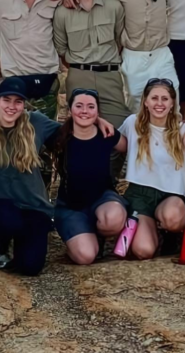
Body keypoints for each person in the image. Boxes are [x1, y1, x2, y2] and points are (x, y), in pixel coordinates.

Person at [0, 78, 61, 275]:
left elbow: (69, 134)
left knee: (30, 268)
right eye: (6, 100)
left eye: (18, 101)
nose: (12, 106)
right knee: (10, 221)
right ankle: (1, 244)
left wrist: (97, 120)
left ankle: (23, 243)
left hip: (34, 205)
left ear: (24, 104)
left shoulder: (36, 122)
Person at [119, 78, 185, 260]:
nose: (159, 103)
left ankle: (171, 234)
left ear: (172, 103)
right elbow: (117, 144)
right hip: (139, 195)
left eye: (165, 99)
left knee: (173, 217)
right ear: (145, 101)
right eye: (154, 98)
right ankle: (150, 229)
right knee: (143, 251)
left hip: (171, 196)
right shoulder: (132, 124)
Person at [51, 88, 128, 265]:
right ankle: (79, 236)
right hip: (71, 206)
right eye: (79, 106)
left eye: (90, 107)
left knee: (113, 219)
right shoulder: (59, 135)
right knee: (85, 257)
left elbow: (127, 146)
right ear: (70, 109)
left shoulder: (106, 133)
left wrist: (99, 121)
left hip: (103, 198)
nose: (84, 111)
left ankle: (99, 234)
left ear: (97, 111)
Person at [53, 0, 129, 129]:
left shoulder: (114, 6)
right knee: (80, 130)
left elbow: (119, 41)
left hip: (110, 76)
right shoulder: (62, 12)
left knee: (117, 128)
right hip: (79, 75)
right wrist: (81, 66)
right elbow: (61, 49)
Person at [110, 0, 180, 113]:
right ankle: (138, 140)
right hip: (134, 55)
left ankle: (171, 139)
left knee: (172, 97)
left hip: (161, 53)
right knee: (135, 101)